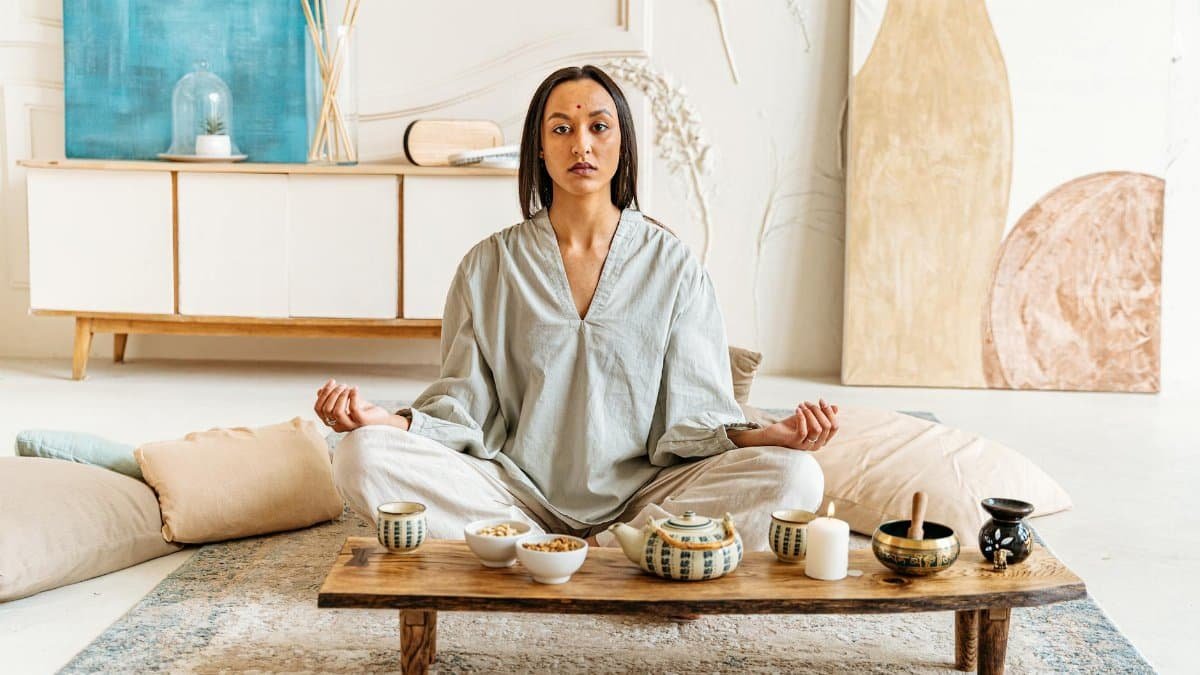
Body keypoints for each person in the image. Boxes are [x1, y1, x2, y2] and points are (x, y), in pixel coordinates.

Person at [314, 65, 839, 552]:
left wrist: (770, 434)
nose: (581, 144)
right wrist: (384, 420)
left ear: (622, 143)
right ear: (539, 148)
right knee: (362, 455)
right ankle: (596, 555)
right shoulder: (488, 266)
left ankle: (589, 553)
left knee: (797, 477)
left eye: (599, 127)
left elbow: (697, 415)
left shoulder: (675, 267)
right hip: (513, 495)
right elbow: (461, 411)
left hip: (645, 498)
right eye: (561, 129)